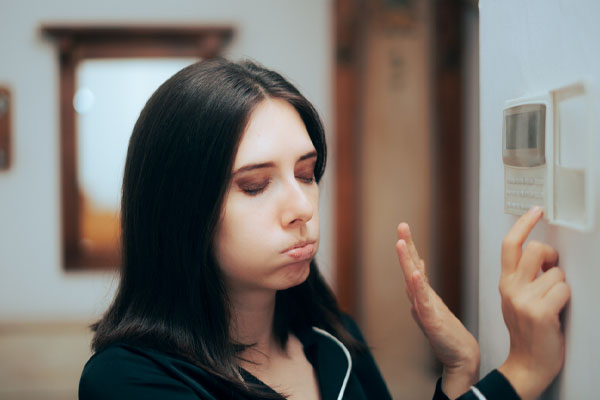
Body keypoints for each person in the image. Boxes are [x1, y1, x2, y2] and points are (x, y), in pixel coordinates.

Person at [78, 59, 570, 400]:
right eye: (254, 186)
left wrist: (460, 370)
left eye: (307, 174)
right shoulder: (128, 380)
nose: (302, 207)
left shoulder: (334, 339)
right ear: (178, 210)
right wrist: (522, 372)